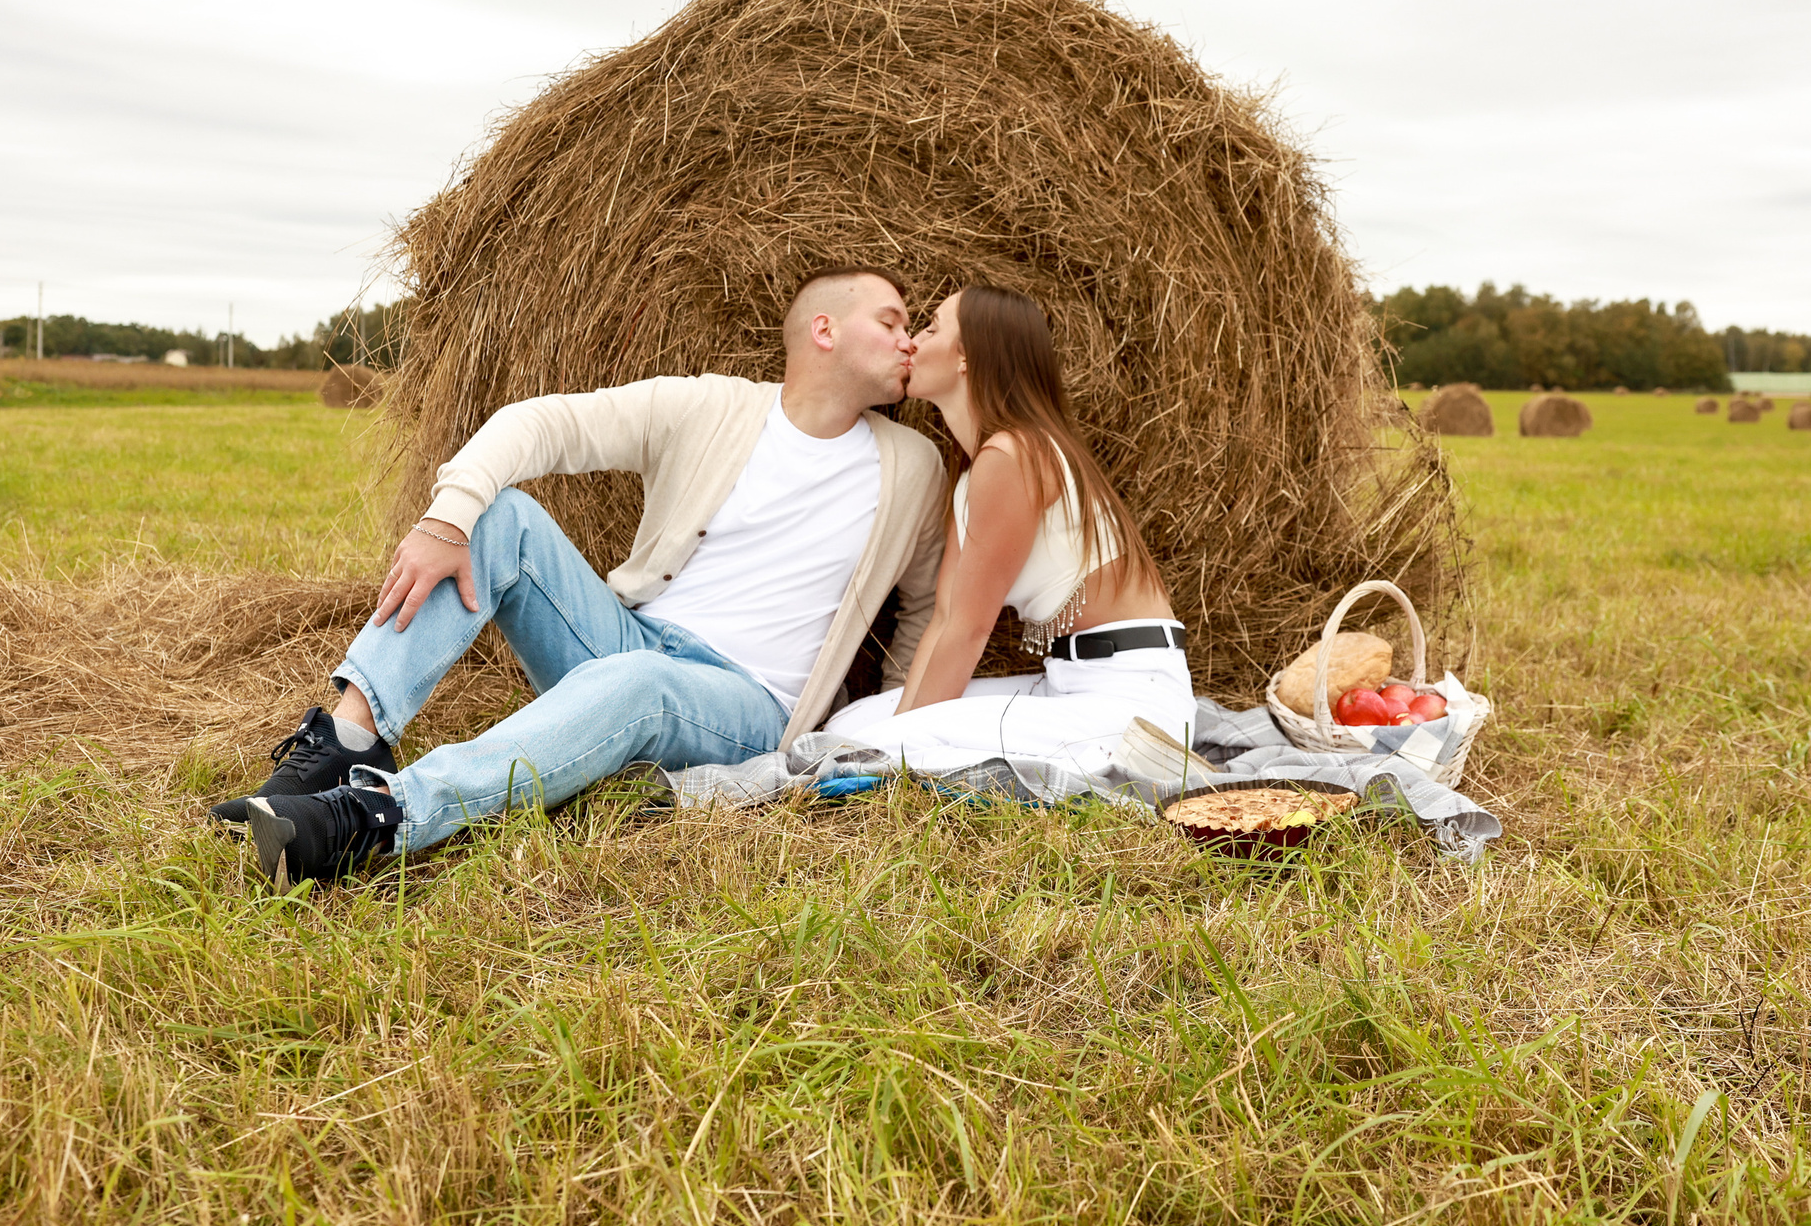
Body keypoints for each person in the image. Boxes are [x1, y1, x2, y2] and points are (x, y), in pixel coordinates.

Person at [216, 266, 947, 886]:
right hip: (632, 637)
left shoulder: (914, 466)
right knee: (501, 518)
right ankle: (349, 738)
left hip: (745, 703)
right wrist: (449, 517)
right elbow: (544, 424)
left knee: (640, 682)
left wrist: (891, 733)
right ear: (825, 329)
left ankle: (381, 813)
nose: (910, 340)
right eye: (892, 321)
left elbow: (924, 612)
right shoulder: (710, 406)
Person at [822, 284, 1192, 778]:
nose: (912, 341)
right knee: (852, 725)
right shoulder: (979, 468)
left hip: (1132, 699)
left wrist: (901, 738)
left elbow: (969, 631)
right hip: (1069, 683)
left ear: (967, 358)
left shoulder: (1014, 454)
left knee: (876, 744)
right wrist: (902, 724)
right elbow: (947, 616)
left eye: (931, 327)